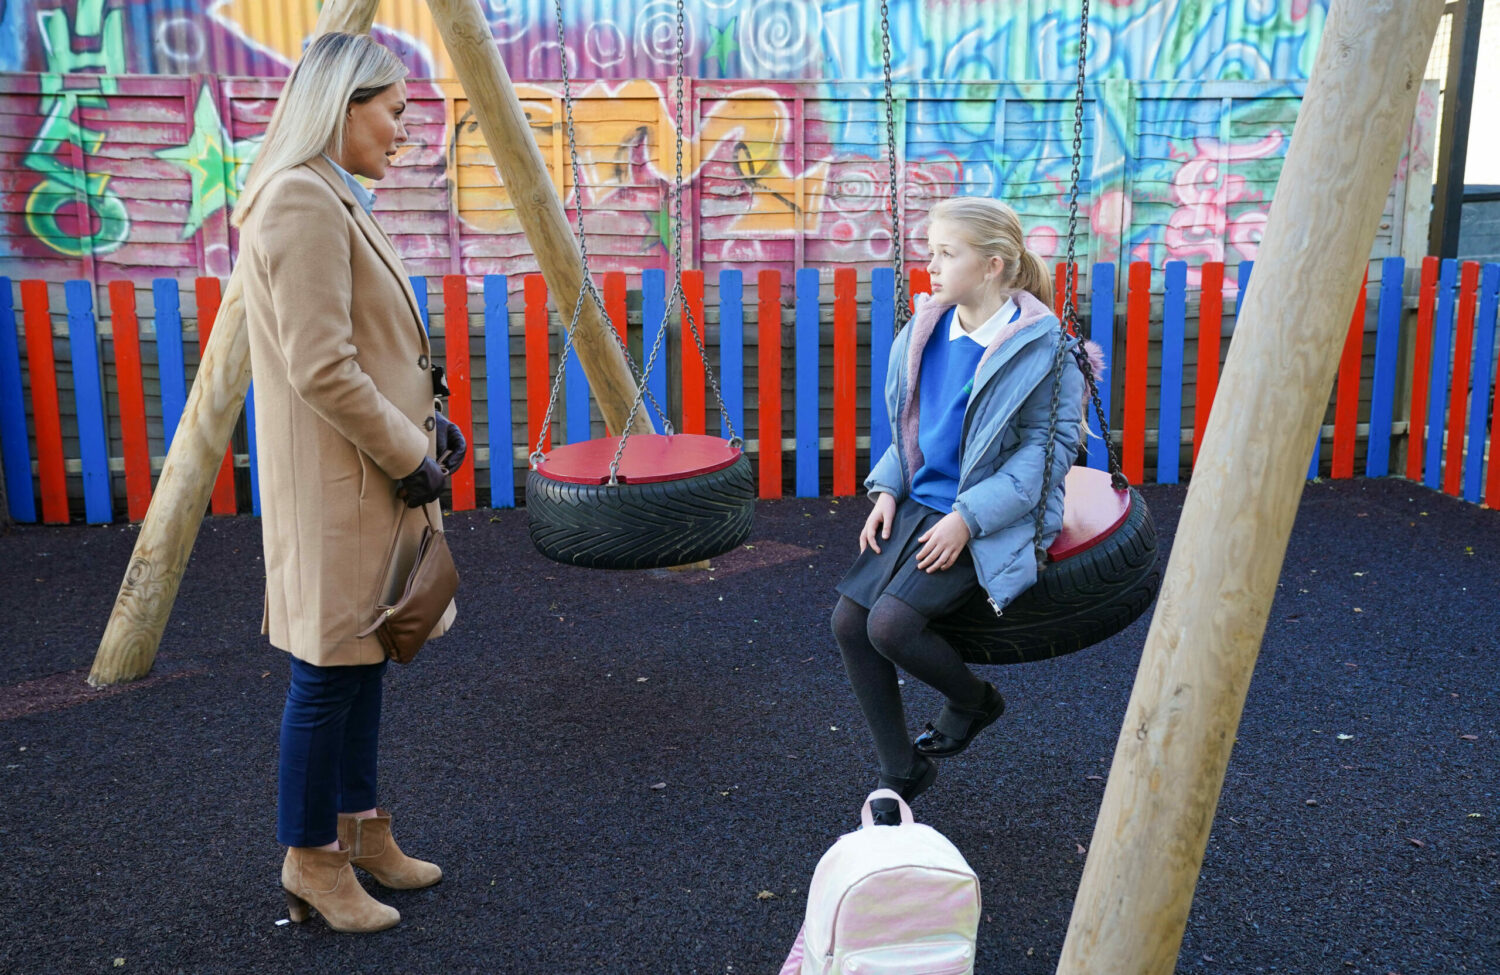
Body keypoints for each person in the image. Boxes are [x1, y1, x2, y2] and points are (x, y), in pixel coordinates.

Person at [232, 32, 468, 933]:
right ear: (344, 105)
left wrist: (427, 419)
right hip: (344, 488)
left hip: (369, 481)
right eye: (396, 111)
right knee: (327, 674)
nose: (406, 131)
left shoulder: (333, 194)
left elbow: (373, 345)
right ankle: (311, 858)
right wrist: (410, 455)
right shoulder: (301, 198)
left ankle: (362, 832)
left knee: (368, 660)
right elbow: (323, 367)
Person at [831, 197, 1096, 823]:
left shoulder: (1045, 349)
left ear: (993, 266)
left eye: (947, 254)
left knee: (891, 627)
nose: (931, 266)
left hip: (991, 515)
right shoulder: (926, 331)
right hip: (921, 501)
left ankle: (974, 701)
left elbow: (1048, 454)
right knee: (848, 623)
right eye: (931, 252)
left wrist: (967, 519)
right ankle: (902, 766)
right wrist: (887, 490)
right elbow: (912, 430)